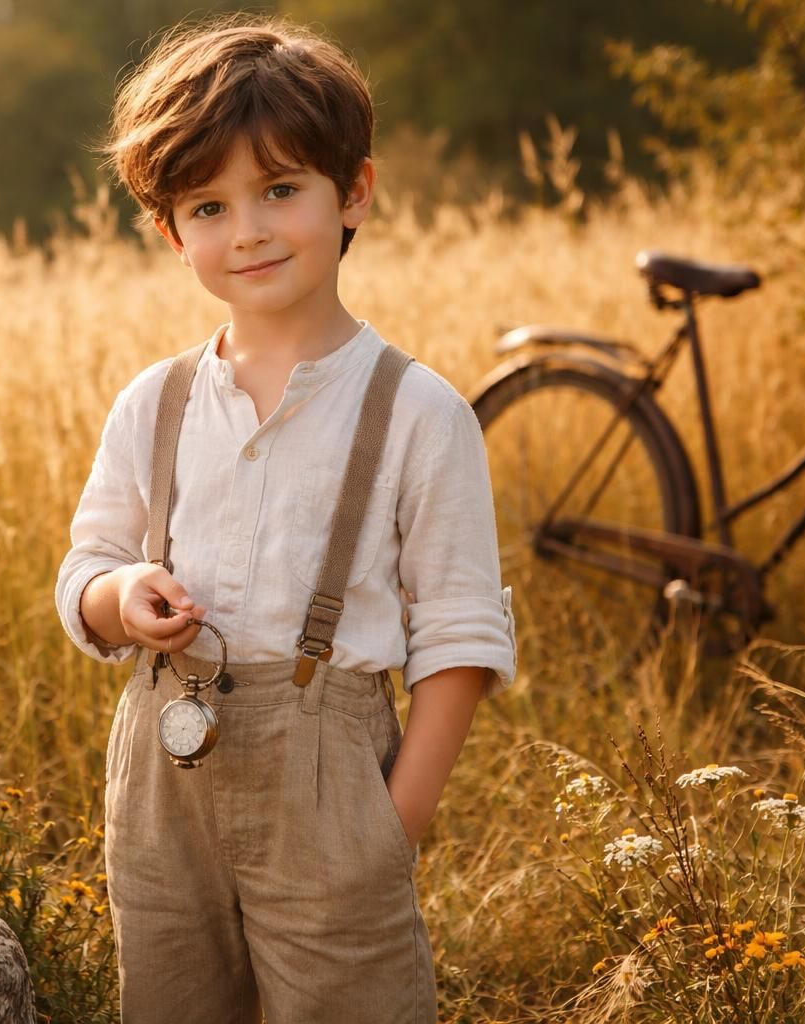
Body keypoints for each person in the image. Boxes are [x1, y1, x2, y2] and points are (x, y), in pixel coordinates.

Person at [54, 15, 516, 1023]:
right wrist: (123, 596)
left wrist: (394, 827)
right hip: (162, 790)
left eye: (280, 190)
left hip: (336, 793)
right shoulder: (155, 403)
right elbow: (84, 569)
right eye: (209, 206)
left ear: (353, 190)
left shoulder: (418, 411)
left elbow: (462, 632)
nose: (248, 231)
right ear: (171, 233)